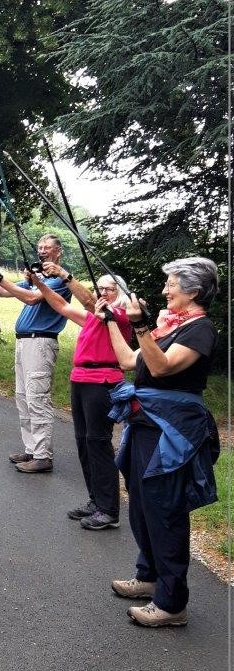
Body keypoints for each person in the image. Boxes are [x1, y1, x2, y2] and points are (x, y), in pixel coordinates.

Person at [98, 256, 219, 628]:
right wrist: (113, 325)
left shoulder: (200, 330)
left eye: (172, 284)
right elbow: (129, 361)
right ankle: (148, 577)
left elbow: (164, 366)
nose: (165, 290)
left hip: (172, 432)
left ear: (194, 292)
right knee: (141, 505)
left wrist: (142, 325)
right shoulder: (169, 326)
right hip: (146, 424)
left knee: (164, 510)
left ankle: (172, 603)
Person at [26, 266, 132, 529]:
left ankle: (109, 509)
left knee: (98, 442)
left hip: (103, 381)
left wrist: (64, 274)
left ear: (121, 294)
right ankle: (96, 501)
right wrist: (39, 283)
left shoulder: (120, 316)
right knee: (84, 443)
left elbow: (88, 300)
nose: (103, 293)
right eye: (101, 288)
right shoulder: (95, 317)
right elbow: (61, 305)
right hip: (81, 380)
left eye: (110, 289)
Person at [0, 234, 73, 473]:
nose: (42, 251)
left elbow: (31, 298)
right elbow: (4, 291)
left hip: (41, 343)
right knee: (23, 397)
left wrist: (3, 279)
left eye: (47, 247)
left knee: (37, 399)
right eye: (39, 247)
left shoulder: (57, 280)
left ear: (58, 252)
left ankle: (43, 456)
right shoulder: (38, 278)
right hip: (24, 343)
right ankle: (32, 450)